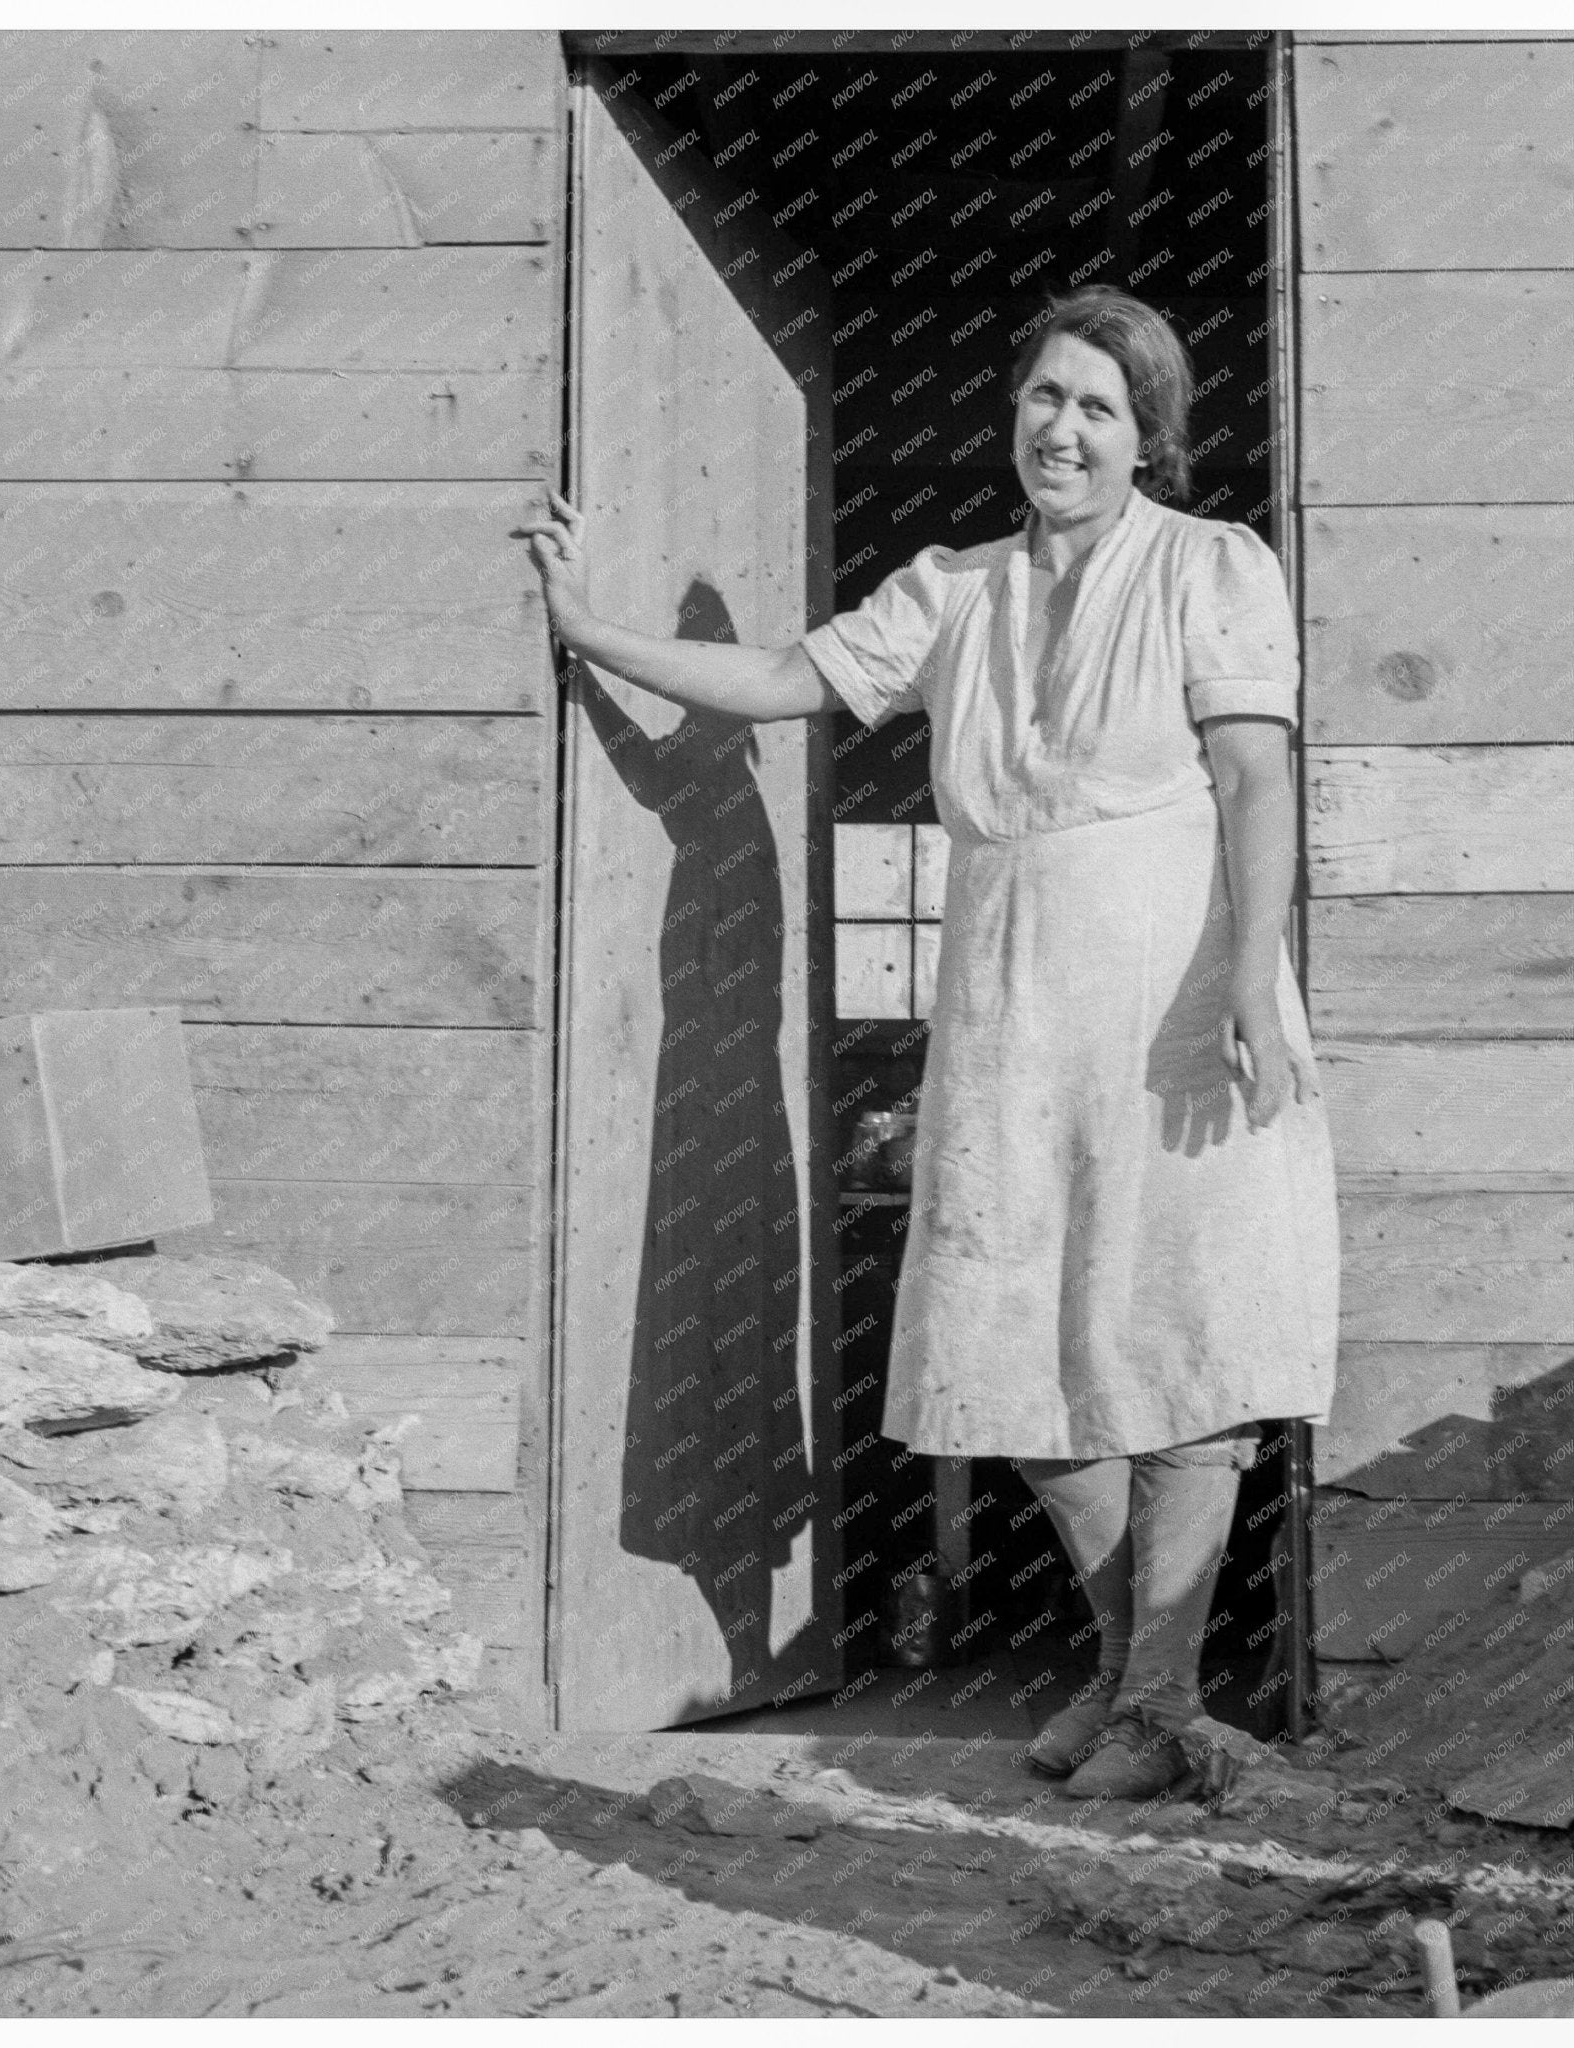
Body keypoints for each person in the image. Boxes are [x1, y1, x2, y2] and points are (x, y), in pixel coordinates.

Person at [520, 283, 1339, 1799]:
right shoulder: (953, 589)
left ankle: (1158, 1698)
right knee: (1018, 1341)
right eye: (1044, 399)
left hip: (1173, 978)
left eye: (1098, 406)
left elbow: (1253, 784)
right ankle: (1128, 1684)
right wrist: (588, 628)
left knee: (1180, 1323)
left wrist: (1242, 971)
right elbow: (777, 682)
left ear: (1146, 435)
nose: (1063, 429)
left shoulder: (1214, 567)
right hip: (1010, 996)